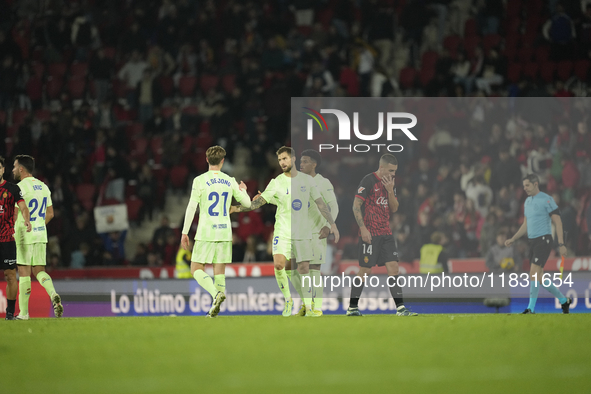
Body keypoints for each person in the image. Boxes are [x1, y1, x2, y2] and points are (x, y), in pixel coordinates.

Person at [231, 147, 339, 317]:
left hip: (302, 232)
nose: (282, 162)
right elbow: (258, 203)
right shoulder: (276, 182)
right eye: (279, 159)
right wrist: (236, 208)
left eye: (285, 159)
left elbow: (320, 204)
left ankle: (309, 307)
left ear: (294, 159)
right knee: (279, 264)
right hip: (282, 231)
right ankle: (288, 300)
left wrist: (331, 224)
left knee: (303, 268)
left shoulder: (307, 181)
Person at [180, 146, 251, 317]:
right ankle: (215, 309)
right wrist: (244, 191)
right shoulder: (230, 180)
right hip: (225, 232)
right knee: (219, 271)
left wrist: (185, 232)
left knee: (196, 268)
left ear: (206, 160)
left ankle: (215, 294)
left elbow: (191, 207)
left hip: (206, 231)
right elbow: (248, 205)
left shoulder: (199, 180)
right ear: (222, 161)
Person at [348, 154, 417, 317]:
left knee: (394, 268)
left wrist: (390, 191)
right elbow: (356, 206)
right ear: (382, 167)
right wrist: (363, 228)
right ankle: (352, 308)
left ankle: (400, 309)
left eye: (395, 171)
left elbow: (394, 208)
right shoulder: (368, 180)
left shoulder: (390, 184)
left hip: (386, 232)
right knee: (365, 270)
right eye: (391, 170)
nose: (393, 174)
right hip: (369, 234)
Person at [505, 174, 571, 314]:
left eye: (527, 185)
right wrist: (513, 238)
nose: (525, 188)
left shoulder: (547, 199)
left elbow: (558, 222)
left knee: (533, 274)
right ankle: (564, 301)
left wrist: (561, 244)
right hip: (533, 241)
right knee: (539, 276)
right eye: (523, 186)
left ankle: (531, 308)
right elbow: (525, 224)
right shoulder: (527, 202)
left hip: (544, 240)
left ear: (536, 184)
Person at [13, 155, 60, 319]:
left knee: (24, 272)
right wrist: (39, 224)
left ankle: (24, 313)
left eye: (14, 167)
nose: (12, 170)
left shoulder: (18, 188)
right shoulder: (44, 187)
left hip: (24, 234)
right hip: (40, 233)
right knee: (39, 271)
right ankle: (53, 293)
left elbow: (15, 213)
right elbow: (51, 213)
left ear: (21, 169)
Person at [298, 149, 339, 316]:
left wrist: (329, 226)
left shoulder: (323, 182)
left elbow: (333, 206)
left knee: (314, 268)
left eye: (305, 161)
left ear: (314, 165)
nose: (301, 164)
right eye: (300, 161)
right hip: (300, 232)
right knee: (302, 269)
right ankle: (307, 306)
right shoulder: (297, 182)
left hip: (317, 232)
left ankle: (318, 307)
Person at [0, 156, 31, 320]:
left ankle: (10, 313)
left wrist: (27, 219)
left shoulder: (12, 189)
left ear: (3, 170)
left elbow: (23, 206)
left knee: (10, 275)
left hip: (6, 239)